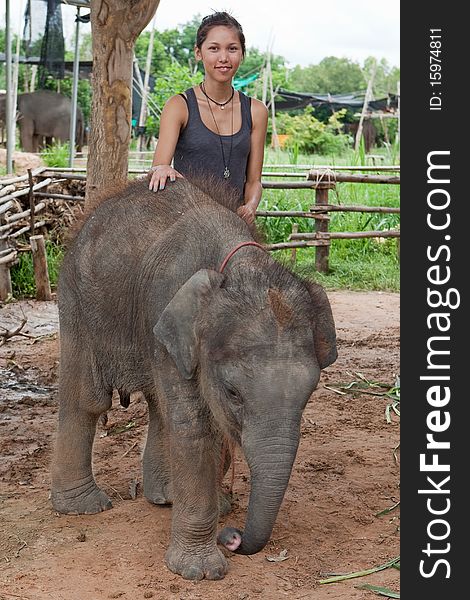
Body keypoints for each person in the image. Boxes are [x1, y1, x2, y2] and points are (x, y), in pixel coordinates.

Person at [148, 11, 268, 225]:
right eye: (214, 48)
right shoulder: (179, 106)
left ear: (242, 54)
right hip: (186, 223)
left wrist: (250, 206)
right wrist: (162, 168)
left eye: (232, 49)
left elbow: (254, 181)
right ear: (198, 53)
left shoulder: (256, 111)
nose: (223, 58)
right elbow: (159, 169)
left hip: (233, 225)